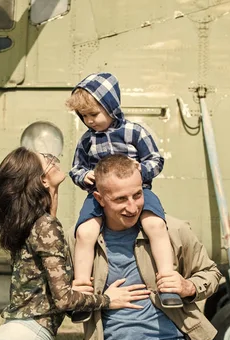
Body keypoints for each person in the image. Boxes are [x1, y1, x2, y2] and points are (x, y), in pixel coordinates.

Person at [0, 147, 151, 340]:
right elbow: (64, 299)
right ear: (41, 180)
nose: (53, 159)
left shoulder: (38, 222)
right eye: (46, 160)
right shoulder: (45, 225)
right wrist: (107, 299)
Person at [67, 154, 223, 340]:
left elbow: (211, 273)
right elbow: (61, 298)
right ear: (99, 198)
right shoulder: (79, 241)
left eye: (137, 195)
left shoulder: (172, 230)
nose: (132, 207)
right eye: (120, 199)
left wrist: (187, 286)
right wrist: (99, 299)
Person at [66, 72, 183, 315]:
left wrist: (142, 171)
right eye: (84, 116)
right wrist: (83, 176)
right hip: (99, 195)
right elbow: (76, 167)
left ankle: (168, 281)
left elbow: (156, 160)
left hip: (138, 191)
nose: (89, 121)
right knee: (84, 233)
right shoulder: (87, 141)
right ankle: (82, 292)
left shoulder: (135, 132)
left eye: (94, 114)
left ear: (111, 107)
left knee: (156, 226)